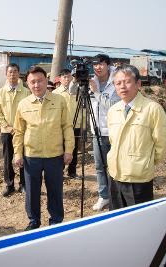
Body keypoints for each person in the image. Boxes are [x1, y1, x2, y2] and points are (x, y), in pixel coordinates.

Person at [13, 66, 74, 230]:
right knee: (32, 191)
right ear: (27, 84)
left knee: (55, 189)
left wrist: (69, 150)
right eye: (32, 82)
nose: (36, 85)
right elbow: (18, 132)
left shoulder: (59, 100)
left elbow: (67, 126)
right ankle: (34, 220)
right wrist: (17, 154)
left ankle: (56, 220)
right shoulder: (23, 104)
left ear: (46, 80)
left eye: (40, 81)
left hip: (55, 154)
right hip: (31, 154)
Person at [107, 64, 166, 210]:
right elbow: (112, 141)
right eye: (118, 83)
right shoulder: (113, 110)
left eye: (127, 81)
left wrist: (146, 163)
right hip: (115, 176)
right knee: (115, 221)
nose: (123, 86)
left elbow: (162, 142)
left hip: (139, 179)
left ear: (138, 84)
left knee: (139, 224)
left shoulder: (152, 109)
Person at [70, 54, 121, 211]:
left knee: (114, 166)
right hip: (96, 130)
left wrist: (96, 92)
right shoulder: (91, 80)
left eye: (101, 64)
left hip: (113, 132)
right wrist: (75, 79)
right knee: (99, 166)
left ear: (107, 64)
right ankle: (104, 196)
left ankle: (116, 196)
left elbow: (113, 105)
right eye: (95, 65)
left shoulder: (117, 81)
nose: (97, 67)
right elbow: (72, 91)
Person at [0, 63, 30, 197]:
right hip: (6, 131)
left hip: (22, 132)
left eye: (15, 71)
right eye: (10, 72)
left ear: (18, 73)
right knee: (8, 159)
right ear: (6, 74)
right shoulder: (0, 93)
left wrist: (21, 128)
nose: (12, 74)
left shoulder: (26, 91)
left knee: (23, 157)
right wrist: (7, 127)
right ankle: (9, 185)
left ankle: (23, 184)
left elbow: (28, 111)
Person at [53, 68, 81, 178]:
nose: (67, 79)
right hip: (61, 126)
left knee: (73, 148)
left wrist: (81, 122)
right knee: (61, 148)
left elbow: (83, 108)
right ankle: (60, 171)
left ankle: (72, 171)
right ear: (60, 79)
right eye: (64, 77)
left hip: (75, 124)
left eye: (69, 76)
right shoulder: (55, 93)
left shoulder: (77, 90)